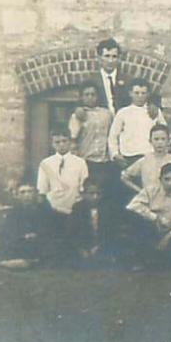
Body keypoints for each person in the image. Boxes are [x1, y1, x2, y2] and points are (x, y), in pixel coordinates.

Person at [68, 81, 115, 244]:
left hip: (103, 161)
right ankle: (85, 238)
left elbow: (113, 135)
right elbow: (73, 139)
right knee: (86, 198)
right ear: (81, 97)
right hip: (86, 161)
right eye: (86, 94)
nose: (90, 98)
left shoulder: (107, 114)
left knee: (102, 197)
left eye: (93, 94)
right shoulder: (78, 115)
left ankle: (103, 238)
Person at [125, 163, 171, 269]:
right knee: (138, 223)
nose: (170, 183)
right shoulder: (150, 190)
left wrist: (169, 236)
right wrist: (154, 217)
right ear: (160, 179)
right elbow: (132, 206)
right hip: (152, 228)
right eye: (166, 179)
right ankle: (143, 259)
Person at [0, 184, 54, 269]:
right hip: (20, 242)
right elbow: (7, 230)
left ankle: (29, 261)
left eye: (30, 191)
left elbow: (50, 229)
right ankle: (27, 261)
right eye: (23, 192)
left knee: (51, 245)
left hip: (38, 242)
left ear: (36, 194)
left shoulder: (45, 211)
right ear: (17, 196)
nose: (27, 195)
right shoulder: (14, 212)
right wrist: (22, 236)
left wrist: (36, 234)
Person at [121, 124, 171, 194]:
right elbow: (124, 177)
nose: (160, 142)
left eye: (163, 139)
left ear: (168, 141)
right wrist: (140, 192)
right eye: (156, 139)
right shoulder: (144, 160)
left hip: (170, 202)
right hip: (150, 201)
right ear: (150, 141)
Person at [107, 78, 166, 170]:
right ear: (130, 93)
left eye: (143, 93)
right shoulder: (123, 112)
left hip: (149, 156)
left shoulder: (154, 111)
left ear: (148, 94)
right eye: (137, 93)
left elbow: (165, 131)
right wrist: (115, 154)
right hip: (129, 157)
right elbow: (113, 136)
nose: (140, 96)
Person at [37, 127, 89, 219]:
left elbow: (84, 188)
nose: (61, 145)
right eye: (57, 142)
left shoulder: (80, 162)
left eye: (64, 141)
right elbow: (42, 190)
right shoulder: (45, 163)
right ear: (52, 144)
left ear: (70, 142)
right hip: (53, 210)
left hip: (75, 210)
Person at [89, 38, 131, 113]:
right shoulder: (92, 81)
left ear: (119, 59)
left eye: (114, 56)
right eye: (107, 56)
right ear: (99, 58)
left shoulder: (127, 80)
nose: (110, 60)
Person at [68, 178, 104, 262]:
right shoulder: (78, 208)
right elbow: (72, 231)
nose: (95, 197)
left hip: (101, 246)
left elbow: (110, 233)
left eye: (98, 193)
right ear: (84, 194)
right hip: (83, 246)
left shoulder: (106, 209)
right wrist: (81, 249)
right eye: (91, 193)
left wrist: (98, 247)